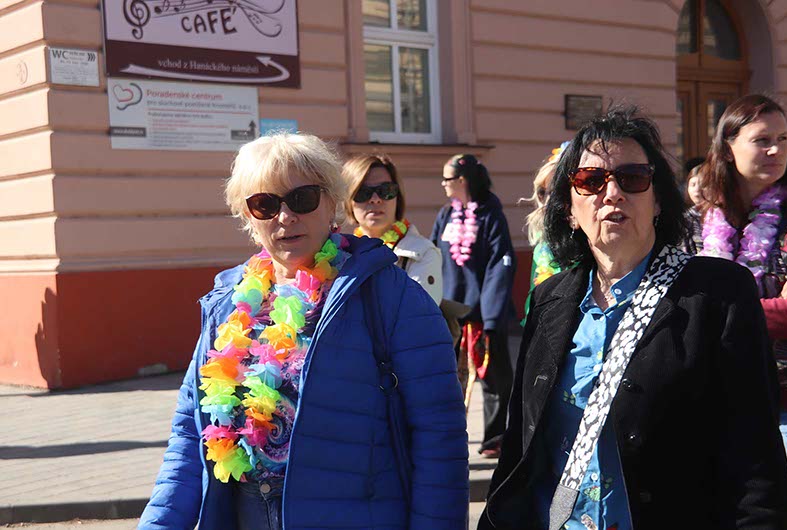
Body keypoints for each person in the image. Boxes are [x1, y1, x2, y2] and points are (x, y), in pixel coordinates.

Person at [480, 107, 787, 529]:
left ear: (658, 199)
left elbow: (756, 459)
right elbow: (521, 447)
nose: (611, 193)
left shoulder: (717, 294)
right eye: (590, 180)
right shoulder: (549, 300)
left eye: (632, 178)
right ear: (569, 208)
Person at [138, 133, 469, 530]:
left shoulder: (392, 297)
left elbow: (439, 436)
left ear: (332, 202)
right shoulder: (227, 305)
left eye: (302, 198)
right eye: (265, 204)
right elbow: (189, 439)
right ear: (248, 217)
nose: (285, 216)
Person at [692, 94, 787, 492]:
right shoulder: (692, 224)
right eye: (762, 140)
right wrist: (769, 308)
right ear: (727, 147)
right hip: (707, 400)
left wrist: (714, 308)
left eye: (783, 139)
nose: (776, 150)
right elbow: (672, 306)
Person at [431, 154, 516, 458]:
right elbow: (433, 258)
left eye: (447, 179)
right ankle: (449, 436)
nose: (443, 184)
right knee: (449, 379)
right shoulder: (446, 214)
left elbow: (500, 266)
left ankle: (494, 438)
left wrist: (492, 316)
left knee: (494, 378)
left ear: (462, 180)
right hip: (450, 312)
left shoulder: (491, 215)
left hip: (483, 314)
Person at [343, 153, 443, 304]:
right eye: (363, 193)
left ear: (398, 197)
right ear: (348, 201)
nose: (375, 199)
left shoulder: (423, 253)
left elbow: (418, 314)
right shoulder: (341, 255)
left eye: (385, 190)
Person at [520, 143, 568, 326]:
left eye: (555, 192)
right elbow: (534, 297)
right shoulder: (542, 245)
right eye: (542, 193)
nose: (548, 200)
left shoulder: (587, 241)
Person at [683, 162, 706, 254]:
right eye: (693, 185)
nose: (697, 189)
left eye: (702, 185)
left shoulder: (722, 216)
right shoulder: (686, 218)